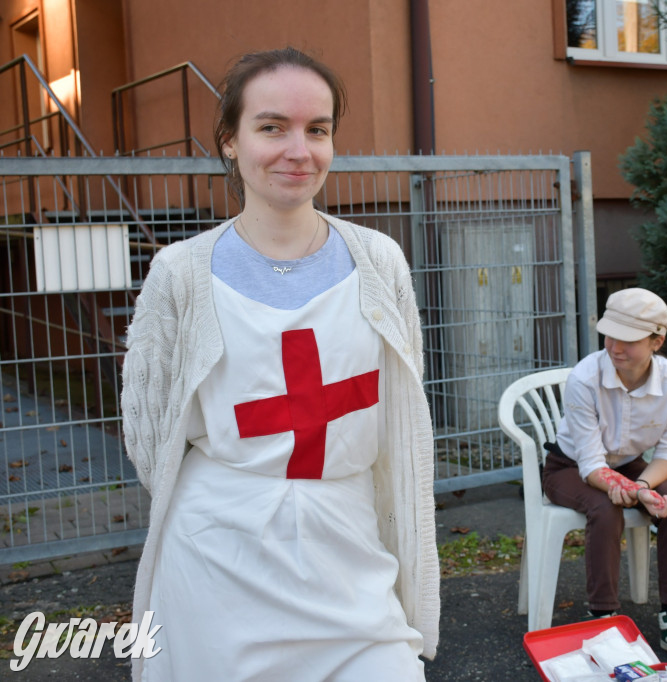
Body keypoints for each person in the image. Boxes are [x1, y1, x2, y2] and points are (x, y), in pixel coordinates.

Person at [120, 47, 439, 681]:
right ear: (230, 142)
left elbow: (402, 400)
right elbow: (149, 428)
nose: (299, 150)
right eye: (272, 127)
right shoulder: (180, 272)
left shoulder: (379, 261)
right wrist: (247, 491)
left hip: (346, 547)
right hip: (218, 555)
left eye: (317, 129)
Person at [541, 288, 667, 664]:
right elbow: (591, 463)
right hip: (570, 467)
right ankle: (603, 620)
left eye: (629, 341)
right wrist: (629, 493)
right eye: (610, 336)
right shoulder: (585, 378)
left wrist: (641, 488)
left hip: (631, 466)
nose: (615, 347)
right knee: (607, 510)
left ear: (657, 340)